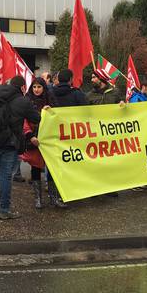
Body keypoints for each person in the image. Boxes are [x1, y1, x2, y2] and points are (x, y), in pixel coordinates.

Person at [0, 76, 42, 219]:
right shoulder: (22, 101)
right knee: (5, 176)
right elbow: (37, 118)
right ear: (22, 87)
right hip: (9, 142)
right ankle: (4, 210)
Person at [46, 69, 88, 206]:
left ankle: (54, 195)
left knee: (55, 164)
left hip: (54, 134)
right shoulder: (77, 94)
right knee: (73, 162)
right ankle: (71, 192)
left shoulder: (49, 93)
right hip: (74, 135)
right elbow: (86, 112)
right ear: (70, 79)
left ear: (58, 79)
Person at [21, 77, 53, 208]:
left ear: (44, 88)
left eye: (39, 87)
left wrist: (50, 111)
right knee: (35, 168)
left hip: (49, 140)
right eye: (34, 87)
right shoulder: (27, 101)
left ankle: (54, 197)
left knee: (51, 168)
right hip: (34, 140)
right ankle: (38, 198)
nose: (36, 89)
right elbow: (24, 121)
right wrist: (30, 136)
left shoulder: (50, 101)